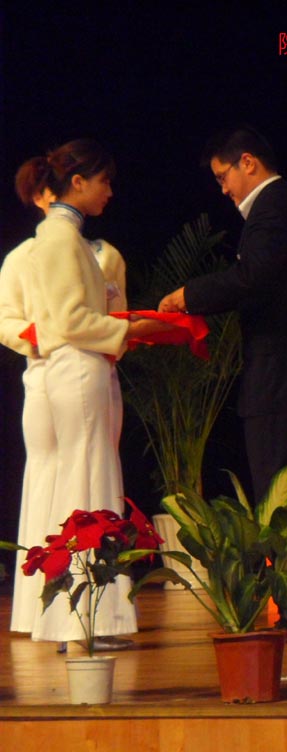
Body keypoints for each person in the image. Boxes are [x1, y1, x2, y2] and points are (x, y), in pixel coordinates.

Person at [159, 126, 287, 642]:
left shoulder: (273, 208)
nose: (223, 189)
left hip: (286, 384)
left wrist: (189, 295)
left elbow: (252, 278)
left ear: (248, 162)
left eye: (223, 176)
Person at [17, 139, 169, 649]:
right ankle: (81, 621)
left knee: (89, 482)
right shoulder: (59, 237)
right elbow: (69, 321)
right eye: (103, 181)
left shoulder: (68, 236)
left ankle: (87, 619)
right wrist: (130, 330)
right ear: (77, 182)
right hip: (77, 369)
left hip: (84, 367)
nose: (109, 191)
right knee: (85, 488)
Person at [0, 157, 131, 644]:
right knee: (54, 477)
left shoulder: (102, 252)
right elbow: (12, 321)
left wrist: (121, 331)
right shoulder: (28, 254)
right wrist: (44, 338)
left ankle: (70, 611)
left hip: (90, 361)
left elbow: (113, 309)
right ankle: (52, 610)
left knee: (85, 470)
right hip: (52, 369)